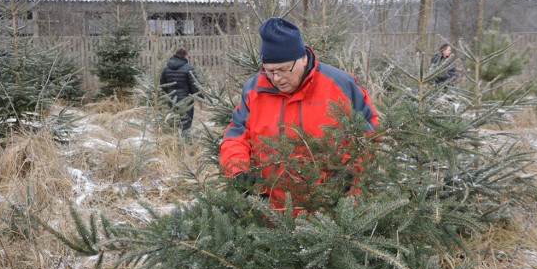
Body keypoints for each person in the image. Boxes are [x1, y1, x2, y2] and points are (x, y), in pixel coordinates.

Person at [220, 17, 379, 212]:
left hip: (330, 209)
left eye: (283, 69)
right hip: (273, 211)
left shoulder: (340, 85)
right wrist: (238, 172)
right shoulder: (254, 90)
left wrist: (350, 172)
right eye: (270, 71)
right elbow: (235, 136)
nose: (277, 78)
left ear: (303, 58)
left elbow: (369, 132)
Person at [160, 47, 202, 132]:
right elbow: (194, 85)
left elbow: (162, 84)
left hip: (171, 99)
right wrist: (200, 97)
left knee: (173, 120)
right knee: (186, 122)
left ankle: (174, 141)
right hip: (185, 100)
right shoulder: (189, 68)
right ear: (185, 56)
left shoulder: (166, 68)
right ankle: (185, 141)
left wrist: (166, 96)